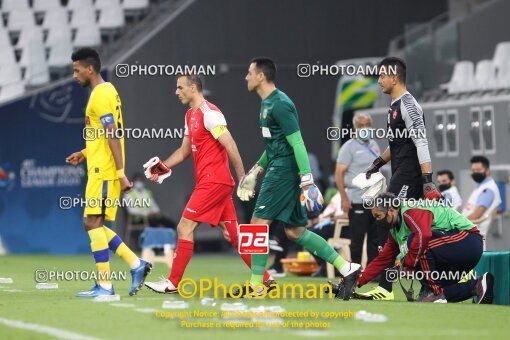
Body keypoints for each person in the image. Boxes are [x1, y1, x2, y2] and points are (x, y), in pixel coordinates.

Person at [237, 57, 361, 300]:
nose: (246, 77)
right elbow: (275, 145)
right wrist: (256, 170)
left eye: (249, 72)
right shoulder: (266, 104)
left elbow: (297, 142)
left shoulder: (280, 104)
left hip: (283, 171)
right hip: (278, 167)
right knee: (294, 231)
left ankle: (257, 285)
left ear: (261, 76)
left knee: (257, 225)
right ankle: (347, 268)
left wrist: (307, 179)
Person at [143, 74, 274, 294]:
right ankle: (266, 279)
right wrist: (163, 166)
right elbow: (184, 151)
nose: (176, 92)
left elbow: (231, 145)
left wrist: (243, 178)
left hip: (213, 182)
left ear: (193, 88)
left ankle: (173, 283)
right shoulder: (189, 115)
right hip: (215, 183)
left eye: (180, 87)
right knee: (234, 235)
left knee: (184, 227)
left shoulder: (210, 113)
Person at [66, 48, 152, 297]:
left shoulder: (101, 94)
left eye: (76, 69)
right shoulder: (105, 91)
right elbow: (102, 135)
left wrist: (120, 172)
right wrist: (84, 152)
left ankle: (106, 285)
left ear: (89, 69)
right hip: (98, 167)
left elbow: (113, 133)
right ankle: (136, 265)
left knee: (92, 222)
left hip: (104, 172)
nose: (74, 75)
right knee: (93, 223)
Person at [359, 57, 441, 301]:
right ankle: (417, 286)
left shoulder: (409, 105)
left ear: (394, 78)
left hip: (410, 177)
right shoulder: (394, 105)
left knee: (387, 220)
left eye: (382, 76)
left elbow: (421, 142)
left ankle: (388, 286)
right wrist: (377, 164)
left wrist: (427, 180)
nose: (379, 80)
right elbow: (396, 145)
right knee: (404, 229)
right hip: (400, 173)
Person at [348, 192, 494, 304]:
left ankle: (432, 291)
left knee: (416, 242)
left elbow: (423, 235)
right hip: (457, 250)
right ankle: (477, 285)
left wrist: (409, 264)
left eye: (378, 216)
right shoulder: (395, 230)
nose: (377, 221)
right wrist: (356, 281)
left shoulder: (410, 210)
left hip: (468, 240)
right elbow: (383, 259)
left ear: (391, 210)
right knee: (441, 294)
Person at [336, 114, 380, 266]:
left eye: (368, 124)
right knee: (357, 238)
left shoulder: (374, 144)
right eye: (361, 125)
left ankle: (372, 272)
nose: (365, 128)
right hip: (357, 199)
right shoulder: (348, 147)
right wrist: (344, 198)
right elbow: (339, 173)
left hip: (375, 200)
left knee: (375, 238)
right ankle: (354, 270)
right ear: (355, 128)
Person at [462, 156, 502, 241]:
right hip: (468, 234)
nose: (475, 172)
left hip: (472, 236)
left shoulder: (488, 190)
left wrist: (456, 224)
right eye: (473, 170)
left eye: (478, 170)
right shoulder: (481, 187)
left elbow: (477, 215)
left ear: (487, 171)